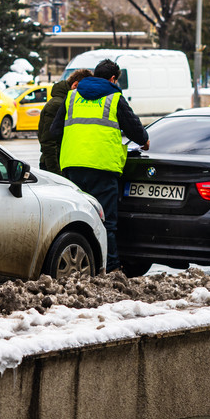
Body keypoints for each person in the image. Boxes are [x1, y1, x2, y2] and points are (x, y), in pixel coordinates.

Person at [51, 59, 149, 273]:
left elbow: (55, 131)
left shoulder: (72, 96)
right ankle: (111, 268)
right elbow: (135, 129)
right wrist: (145, 140)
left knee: (75, 218)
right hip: (102, 168)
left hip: (72, 166)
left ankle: (81, 264)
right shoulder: (114, 98)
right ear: (113, 79)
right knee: (106, 222)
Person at [38, 68, 92, 174]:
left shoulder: (67, 102)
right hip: (54, 165)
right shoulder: (57, 104)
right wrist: (56, 173)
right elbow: (48, 142)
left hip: (63, 162)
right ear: (75, 85)